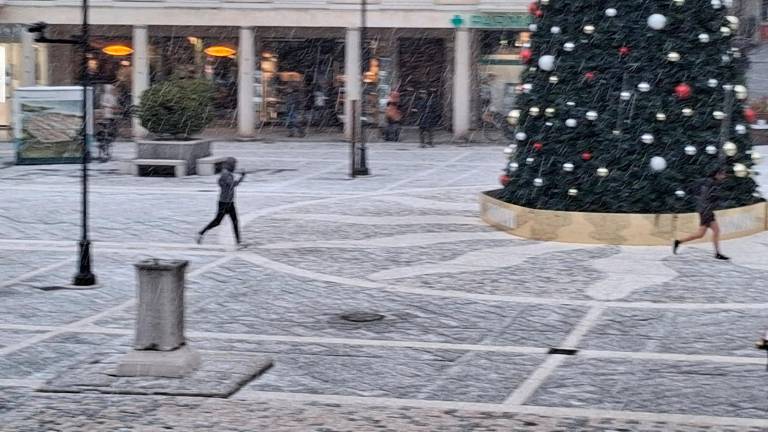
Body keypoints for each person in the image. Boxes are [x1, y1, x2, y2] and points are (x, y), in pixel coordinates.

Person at [673, 168, 729, 260]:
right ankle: (717, 253)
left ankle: (678, 242)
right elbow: (706, 197)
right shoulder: (710, 184)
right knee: (713, 231)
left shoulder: (710, 183)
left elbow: (707, 197)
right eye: (722, 174)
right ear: (716, 175)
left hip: (706, 210)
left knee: (701, 234)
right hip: (706, 211)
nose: (724, 176)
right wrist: (713, 203)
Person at [197, 157, 245, 247]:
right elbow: (232, 185)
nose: (235, 166)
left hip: (228, 202)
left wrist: (240, 178)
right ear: (230, 165)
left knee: (234, 222)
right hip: (224, 203)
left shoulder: (227, 174)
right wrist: (241, 177)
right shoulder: (226, 174)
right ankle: (201, 232)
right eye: (234, 164)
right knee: (218, 221)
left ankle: (238, 242)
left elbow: (227, 184)